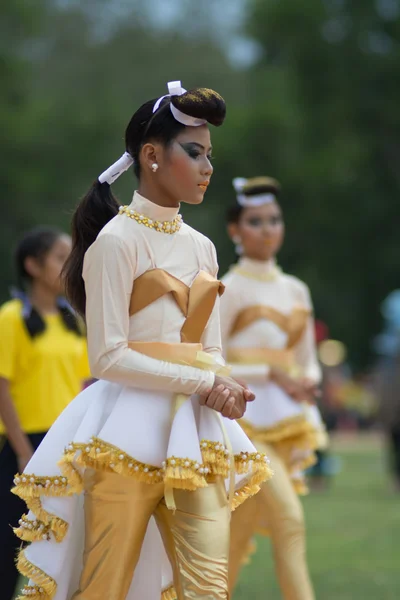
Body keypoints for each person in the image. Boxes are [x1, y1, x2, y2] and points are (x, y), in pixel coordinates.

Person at [12, 82, 272, 600]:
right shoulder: (114, 242)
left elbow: (210, 348)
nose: (207, 167)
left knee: (209, 589)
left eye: (209, 155)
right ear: (151, 156)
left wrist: (222, 385)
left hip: (194, 434)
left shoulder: (202, 246)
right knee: (104, 586)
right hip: (123, 433)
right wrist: (204, 381)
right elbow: (108, 358)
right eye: (194, 152)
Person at [220, 176, 327, 600]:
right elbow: (213, 359)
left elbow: (307, 358)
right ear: (235, 230)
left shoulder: (295, 288)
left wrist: (308, 382)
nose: (268, 229)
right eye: (256, 221)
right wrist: (270, 374)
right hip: (245, 421)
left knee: (237, 535)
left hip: (287, 419)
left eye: (274, 220)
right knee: (289, 520)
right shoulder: (228, 286)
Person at [0, 227, 90, 600]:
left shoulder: (74, 322)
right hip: (24, 448)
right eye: (59, 257)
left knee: (65, 548)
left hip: (67, 449)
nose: (69, 265)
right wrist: (23, 451)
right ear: (33, 266)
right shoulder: (11, 319)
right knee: (10, 548)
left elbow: (87, 387)